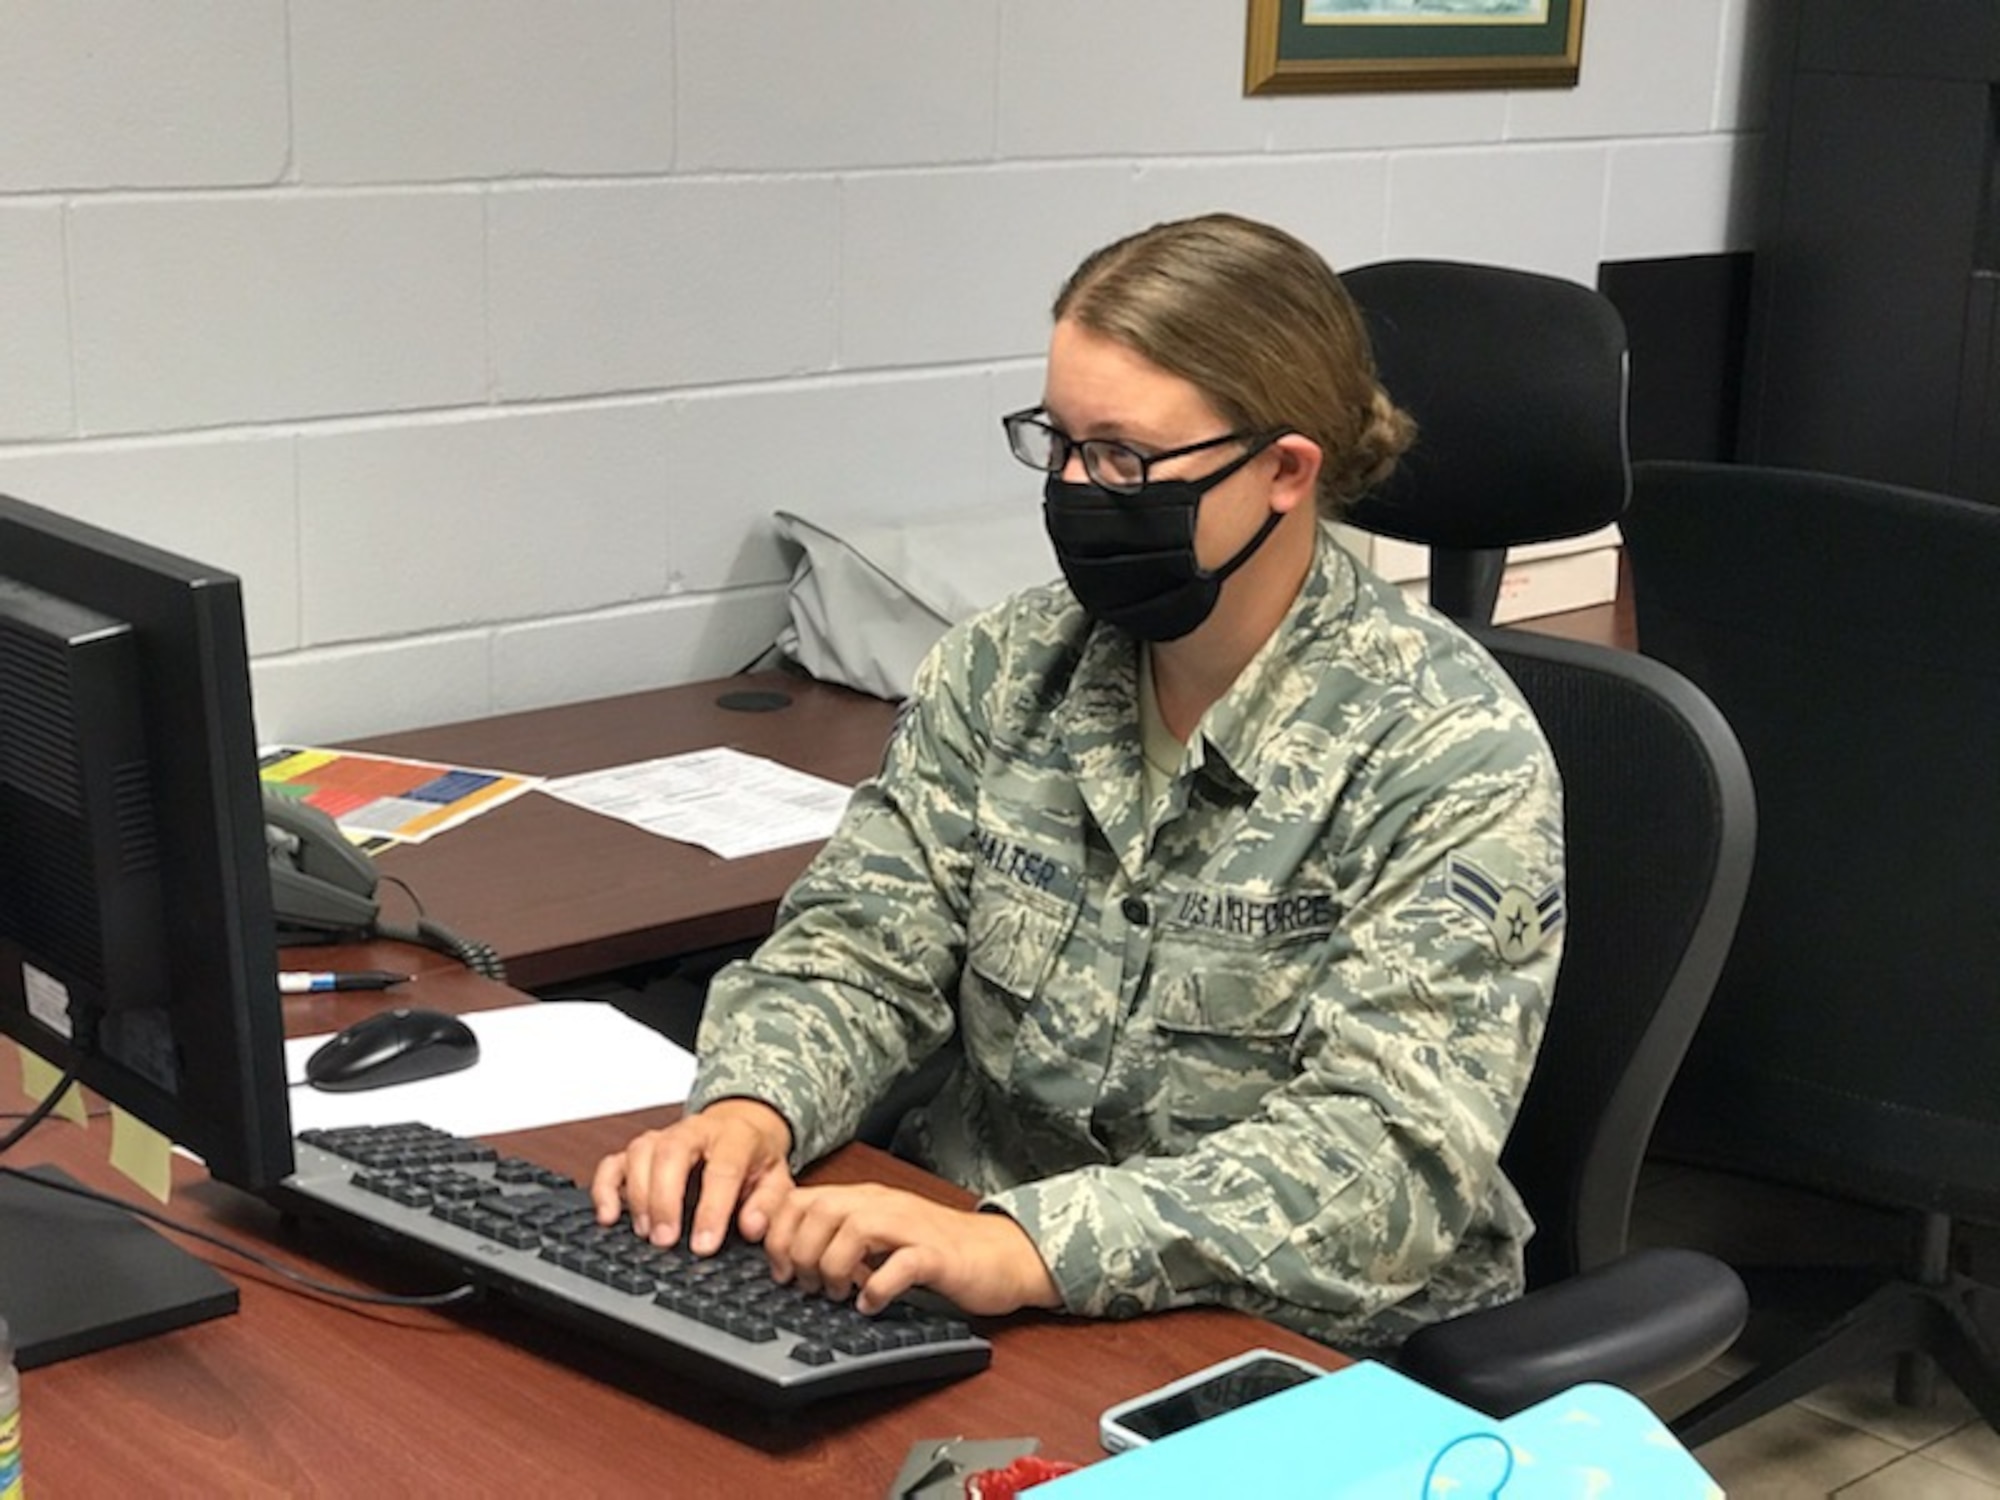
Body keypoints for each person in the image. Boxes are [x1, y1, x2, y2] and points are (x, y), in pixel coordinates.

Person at [591, 213, 1565, 1353]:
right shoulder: (1006, 670)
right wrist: (753, 1107)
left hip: (1281, 1341)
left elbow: (1383, 1160)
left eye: (1121, 458)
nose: (1073, 487)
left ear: (1282, 472)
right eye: (1055, 442)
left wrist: (1026, 1249)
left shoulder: (1443, 745)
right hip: (965, 1274)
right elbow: (861, 946)